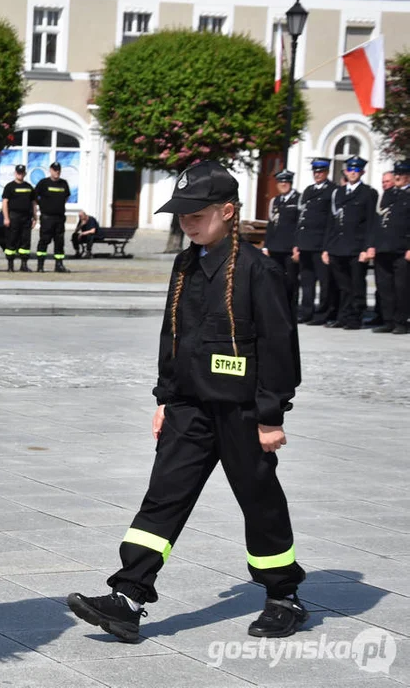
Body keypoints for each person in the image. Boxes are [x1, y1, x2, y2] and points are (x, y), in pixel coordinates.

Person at [67, 161, 306, 644]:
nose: (187, 222)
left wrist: (270, 416)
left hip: (242, 411)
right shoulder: (187, 263)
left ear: (228, 210)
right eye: (182, 214)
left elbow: (281, 347)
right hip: (189, 408)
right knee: (163, 497)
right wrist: (165, 397)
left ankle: (283, 596)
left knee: (258, 502)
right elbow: (173, 335)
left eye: (197, 214)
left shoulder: (261, 271)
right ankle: (128, 597)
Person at [323, 156, 377, 330]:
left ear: (362, 172)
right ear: (345, 172)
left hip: (356, 247)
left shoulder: (368, 193)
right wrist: (326, 248)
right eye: (350, 169)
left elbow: (371, 222)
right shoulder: (338, 192)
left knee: (356, 285)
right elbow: (331, 222)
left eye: (356, 170)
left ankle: (355, 317)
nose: (353, 172)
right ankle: (343, 316)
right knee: (342, 286)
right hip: (337, 246)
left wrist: (368, 247)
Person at [367, 161, 410, 334]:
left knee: (402, 287)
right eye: (396, 173)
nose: (397, 177)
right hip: (383, 247)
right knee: (384, 286)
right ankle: (389, 320)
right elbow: (377, 222)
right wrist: (371, 245)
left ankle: (401, 321)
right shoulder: (388, 194)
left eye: (401, 174)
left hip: (402, 249)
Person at [294, 158, 337, 325]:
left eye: (321, 171)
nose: (317, 174)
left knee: (325, 282)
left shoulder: (332, 190)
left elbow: (331, 222)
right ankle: (307, 312)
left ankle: (323, 313)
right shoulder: (309, 190)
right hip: (305, 243)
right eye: (315, 171)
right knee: (307, 281)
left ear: (327, 172)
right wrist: (297, 243)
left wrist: (327, 247)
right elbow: (301, 219)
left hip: (320, 244)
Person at [263, 170, 301, 318]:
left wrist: (297, 246)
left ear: (291, 183)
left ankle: (292, 308)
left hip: (290, 248)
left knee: (291, 280)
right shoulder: (275, 201)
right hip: (274, 248)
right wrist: (266, 246)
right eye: (280, 182)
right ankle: (277, 307)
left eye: (286, 182)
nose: (283, 184)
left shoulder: (298, 199)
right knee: (274, 279)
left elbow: (300, 226)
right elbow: (271, 226)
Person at [34, 161, 71, 273]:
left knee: (59, 242)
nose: (57, 172)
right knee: (44, 240)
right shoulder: (43, 183)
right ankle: (40, 265)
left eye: (58, 170)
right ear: (50, 170)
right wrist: (42, 206)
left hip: (59, 218)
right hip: (47, 218)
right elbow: (35, 196)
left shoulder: (63, 183)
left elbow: (66, 197)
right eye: (55, 170)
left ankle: (59, 265)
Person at [1, 164, 35, 272]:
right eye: (18, 172)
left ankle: (23, 265)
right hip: (14, 216)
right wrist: (6, 218)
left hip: (26, 218)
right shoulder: (9, 186)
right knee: (12, 241)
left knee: (25, 241)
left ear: (25, 173)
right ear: (15, 173)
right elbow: (5, 203)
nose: (20, 174)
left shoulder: (29, 187)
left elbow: (33, 203)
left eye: (22, 172)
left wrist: (35, 217)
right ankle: (10, 266)